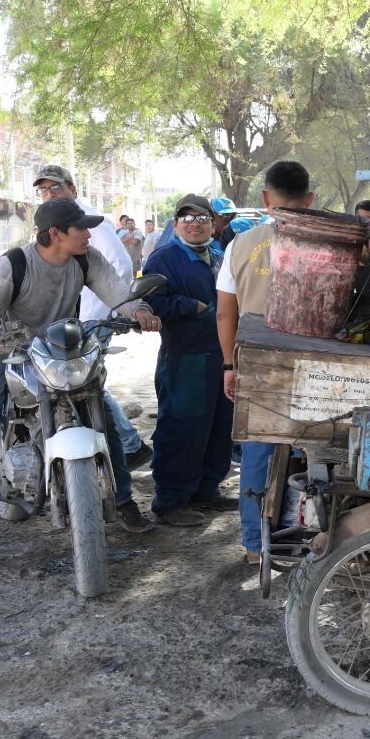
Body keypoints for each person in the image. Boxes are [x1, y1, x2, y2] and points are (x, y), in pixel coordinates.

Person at [0, 197, 163, 563]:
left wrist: (140, 311)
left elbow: (119, 295)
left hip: (62, 353)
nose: (88, 234)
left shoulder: (85, 259)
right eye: (81, 228)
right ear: (55, 233)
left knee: (103, 416)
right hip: (9, 350)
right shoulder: (16, 263)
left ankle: (123, 500)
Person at [217, 161, 314, 563]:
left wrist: (229, 365)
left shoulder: (240, 245)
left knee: (258, 451)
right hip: (314, 362)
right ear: (310, 199)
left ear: (266, 199)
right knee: (314, 449)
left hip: (256, 362)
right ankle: (307, 534)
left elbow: (226, 313)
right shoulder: (329, 243)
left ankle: (256, 545)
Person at [34, 165, 152, 469]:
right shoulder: (47, 225)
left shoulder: (85, 221)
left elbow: (120, 267)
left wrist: (105, 314)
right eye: (44, 190)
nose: (49, 194)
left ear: (73, 189)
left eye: (56, 188)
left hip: (88, 322)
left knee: (88, 386)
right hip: (56, 327)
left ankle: (127, 446)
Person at [141, 196, 238, 526]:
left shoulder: (219, 254)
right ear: (176, 223)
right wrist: (190, 307)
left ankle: (206, 490)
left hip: (222, 356)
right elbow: (154, 301)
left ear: (213, 223)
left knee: (218, 426)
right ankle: (170, 501)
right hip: (186, 357)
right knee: (181, 427)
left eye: (202, 218)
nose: (194, 223)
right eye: (187, 217)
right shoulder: (164, 258)